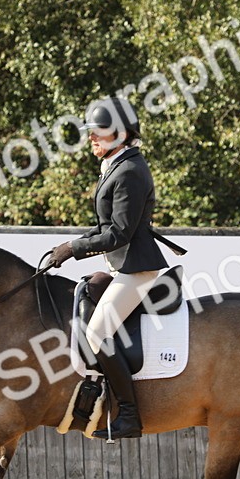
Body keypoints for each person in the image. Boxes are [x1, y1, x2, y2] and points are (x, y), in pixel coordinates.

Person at [47, 96, 168, 440]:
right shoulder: (117, 165)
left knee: (97, 333)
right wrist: (70, 246)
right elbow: (105, 227)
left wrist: (73, 249)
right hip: (122, 266)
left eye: (98, 132)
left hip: (136, 269)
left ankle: (129, 416)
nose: (91, 138)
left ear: (121, 134)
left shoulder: (130, 171)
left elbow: (119, 233)